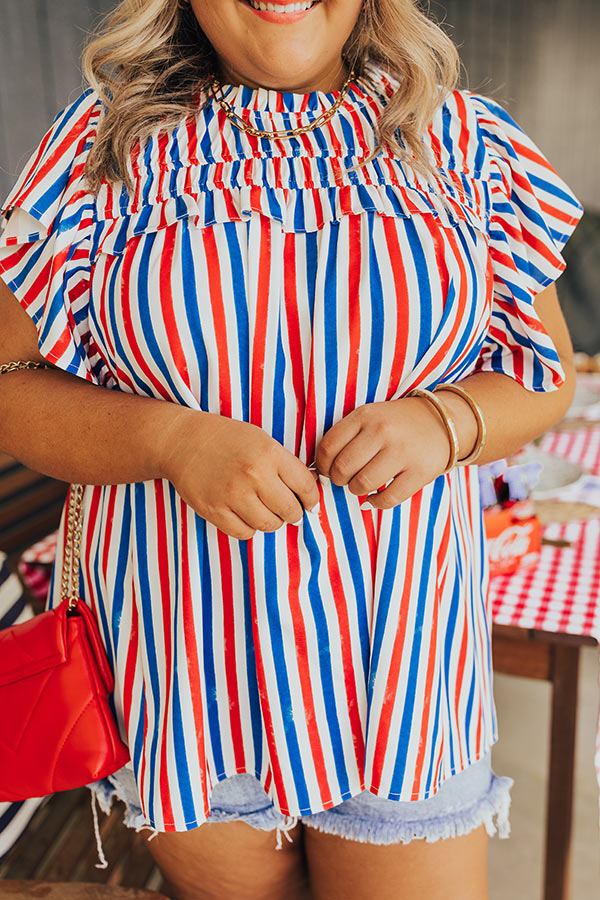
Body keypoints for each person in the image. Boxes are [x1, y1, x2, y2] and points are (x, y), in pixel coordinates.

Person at [0, 0, 584, 898]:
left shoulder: (466, 144)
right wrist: (169, 439)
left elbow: (542, 372)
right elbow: (7, 379)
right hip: (183, 681)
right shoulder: (97, 152)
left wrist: (447, 421)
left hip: (403, 678)